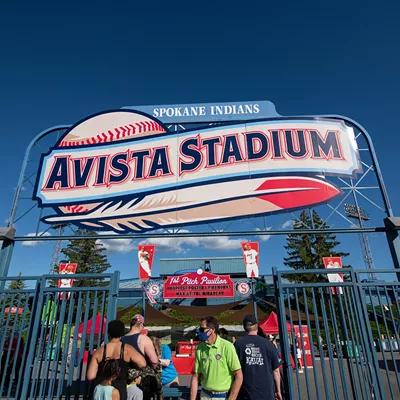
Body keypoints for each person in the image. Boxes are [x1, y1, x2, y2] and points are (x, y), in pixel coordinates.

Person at [88, 320, 146, 400]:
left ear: (108, 333)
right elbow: (142, 363)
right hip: (120, 388)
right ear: (122, 334)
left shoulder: (100, 351)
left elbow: (90, 376)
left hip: (102, 388)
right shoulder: (127, 349)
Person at [190, 316, 243, 400]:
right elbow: (195, 377)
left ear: (212, 329)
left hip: (222, 396)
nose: (198, 332)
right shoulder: (200, 348)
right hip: (205, 395)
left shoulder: (227, 347)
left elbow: (239, 375)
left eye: (202, 329)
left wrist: (231, 398)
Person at [234, 315, 282, 400]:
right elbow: (276, 370)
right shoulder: (268, 344)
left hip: (245, 392)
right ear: (257, 326)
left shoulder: (238, 344)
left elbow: (234, 368)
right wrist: (278, 390)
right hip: (266, 392)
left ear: (244, 327)